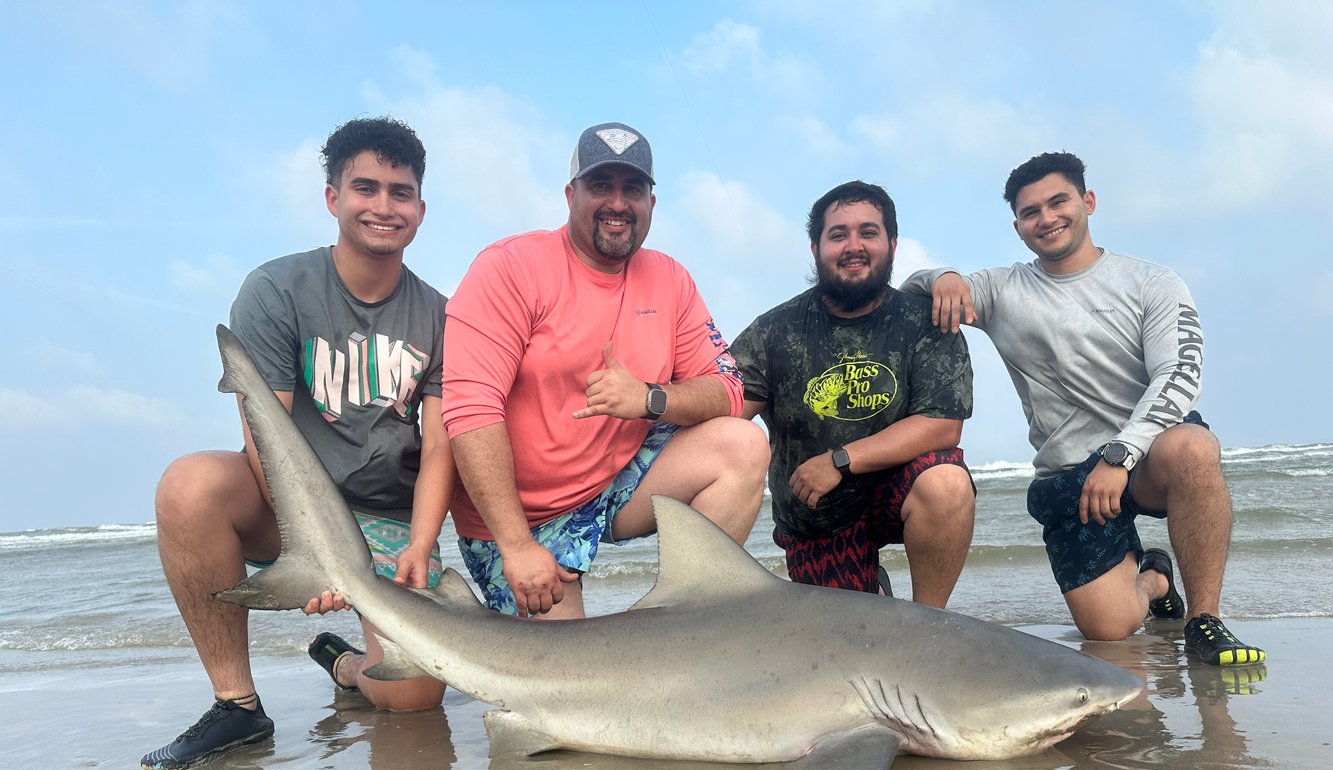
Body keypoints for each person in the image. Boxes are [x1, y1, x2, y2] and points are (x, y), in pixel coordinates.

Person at [142, 117, 456, 770]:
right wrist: (311, 555)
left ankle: (343, 665)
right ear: (331, 197)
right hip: (287, 509)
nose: (382, 206)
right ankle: (237, 705)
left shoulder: (439, 315)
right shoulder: (276, 290)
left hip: (386, 524)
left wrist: (420, 549)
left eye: (399, 192)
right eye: (364, 187)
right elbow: (268, 442)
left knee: (414, 696)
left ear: (420, 208)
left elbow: (438, 451)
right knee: (189, 484)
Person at [900, 151, 1264, 665]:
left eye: (1058, 202)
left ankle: (1205, 621)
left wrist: (1120, 456)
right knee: (1110, 630)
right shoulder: (1003, 289)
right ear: (1018, 226)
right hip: (1069, 473)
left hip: (1143, 457)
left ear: (1087, 201)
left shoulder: (1152, 283)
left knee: (1194, 447)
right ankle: (1156, 578)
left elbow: (1179, 376)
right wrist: (945, 274)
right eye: (1031, 212)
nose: (1046, 218)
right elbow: (912, 289)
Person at [442, 121, 768, 618]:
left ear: (651, 204)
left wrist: (650, 398)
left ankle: (682, 625)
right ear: (571, 195)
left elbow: (729, 390)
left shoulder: (670, 278)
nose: (618, 203)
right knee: (564, 688)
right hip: (527, 518)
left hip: (617, 483)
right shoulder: (509, 267)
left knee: (742, 444)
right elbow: (470, 411)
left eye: (632, 189)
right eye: (601, 186)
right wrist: (516, 547)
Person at [729, 181, 975, 606]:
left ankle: (928, 623)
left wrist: (840, 461)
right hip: (817, 511)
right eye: (838, 234)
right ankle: (870, 588)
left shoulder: (926, 320)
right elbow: (727, 410)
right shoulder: (774, 331)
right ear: (816, 248)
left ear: (893, 244)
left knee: (947, 483)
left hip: (895, 488)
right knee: (849, 644)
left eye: (868, 232)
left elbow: (942, 425)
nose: (853, 246)